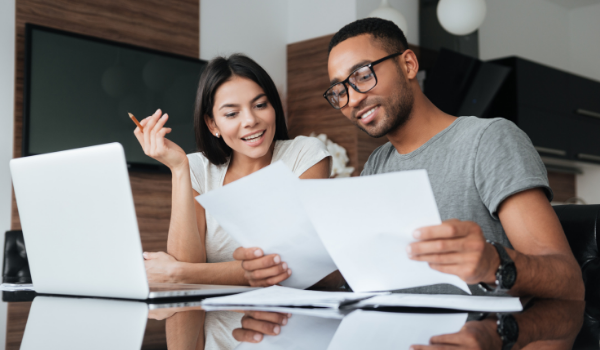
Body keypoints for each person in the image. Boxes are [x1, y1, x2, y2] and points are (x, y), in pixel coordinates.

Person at [234, 18, 584, 302]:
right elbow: (361, 274)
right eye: (339, 91)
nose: (352, 99)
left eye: (362, 75)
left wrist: (494, 263)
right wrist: (282, 269)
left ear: (408, 64)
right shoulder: (377, 163)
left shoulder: (488, 139)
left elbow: (567, 280)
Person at [133, 54, 332, 349]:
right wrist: (178, 169)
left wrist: (179, 272)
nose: (251, 120)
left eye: (260, 105)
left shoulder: (304, 155)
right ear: (212, 123)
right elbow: (188, 272)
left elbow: (286, 266)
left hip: (287, 331)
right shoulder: (197, 168)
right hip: (210, 329)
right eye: (231, 113)